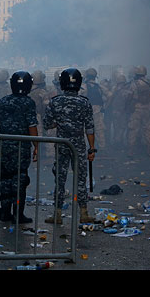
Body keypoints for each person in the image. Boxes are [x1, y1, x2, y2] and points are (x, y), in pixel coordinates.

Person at [43, 68, 96, 225]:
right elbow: (90, 128)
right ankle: (84, 213)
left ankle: (57, 214)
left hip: (62, 145)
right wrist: (91, 149)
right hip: (78, 145)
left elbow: (47, 124)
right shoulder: (85, 102)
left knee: (60, 179)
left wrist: (59, 123)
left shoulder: (55, 101)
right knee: (80, 179)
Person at [0, 71, 39, 224]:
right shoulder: (28, 103)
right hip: (22, 147)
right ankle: (18, 214)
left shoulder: (3, 101)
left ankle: (4, 212)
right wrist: (36, 145)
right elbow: (32, 126)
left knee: (4, 178)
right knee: (19, 179)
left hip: (5, 146)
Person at [125, 65, 150, 158]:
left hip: (137, 109)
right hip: (148, 108)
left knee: (133, 129)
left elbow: (129, 97)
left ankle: (131, 151)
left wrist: (128, 106)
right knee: (148, 129)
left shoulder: (133, 84)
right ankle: (149, 151)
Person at [80, 68, 106, 151]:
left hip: (86, 112)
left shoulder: (83, 87)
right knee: (99, 130)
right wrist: (104, 106)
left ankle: (86, 147)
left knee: (85, 130)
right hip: (98, 112)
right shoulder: (100, 87)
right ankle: (102, 147)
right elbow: (110, 95)